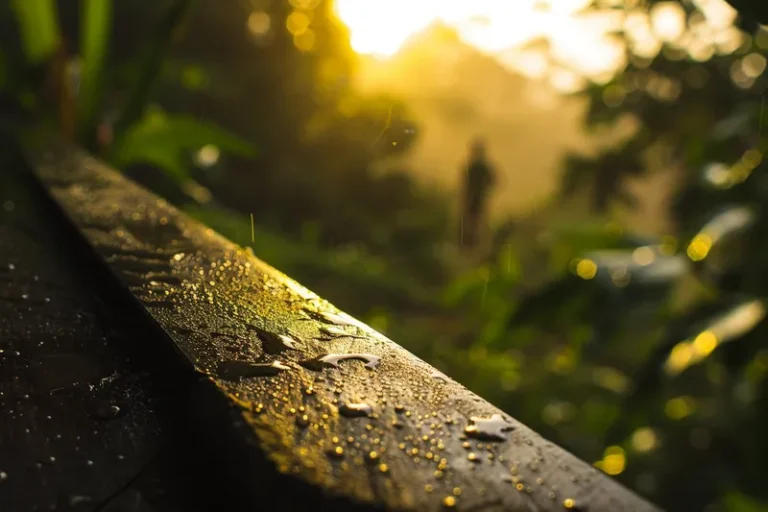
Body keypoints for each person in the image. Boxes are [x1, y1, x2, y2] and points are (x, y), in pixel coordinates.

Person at [460, 138, 496, 249]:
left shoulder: (473, 166)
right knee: (475, 220)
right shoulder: (478, 166)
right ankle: (473, 243)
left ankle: (472, 244)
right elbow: (493, 181)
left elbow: (465, 182)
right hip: (476, 197)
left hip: (474, 197)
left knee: (473, 220)